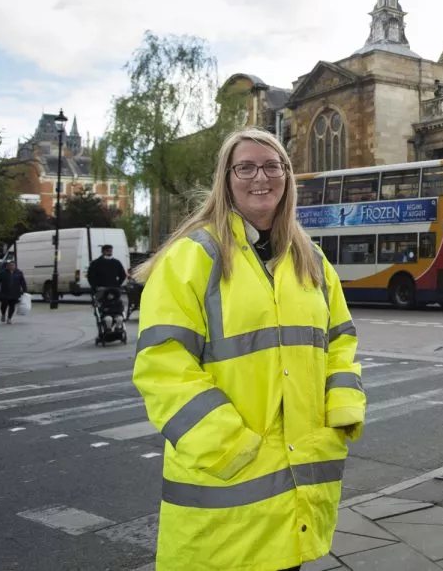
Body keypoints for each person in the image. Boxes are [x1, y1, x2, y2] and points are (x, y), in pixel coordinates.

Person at [131, 127, 366, 571]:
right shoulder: (192, 256)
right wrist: (228, 445)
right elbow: (163, 365)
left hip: (297, 488)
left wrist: (342, 413)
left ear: (288, 177)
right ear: (227, 179)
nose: (261, 177)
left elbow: (340, 342)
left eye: (272, 165)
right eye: (246, 167)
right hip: (225, 490)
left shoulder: (312, 261)